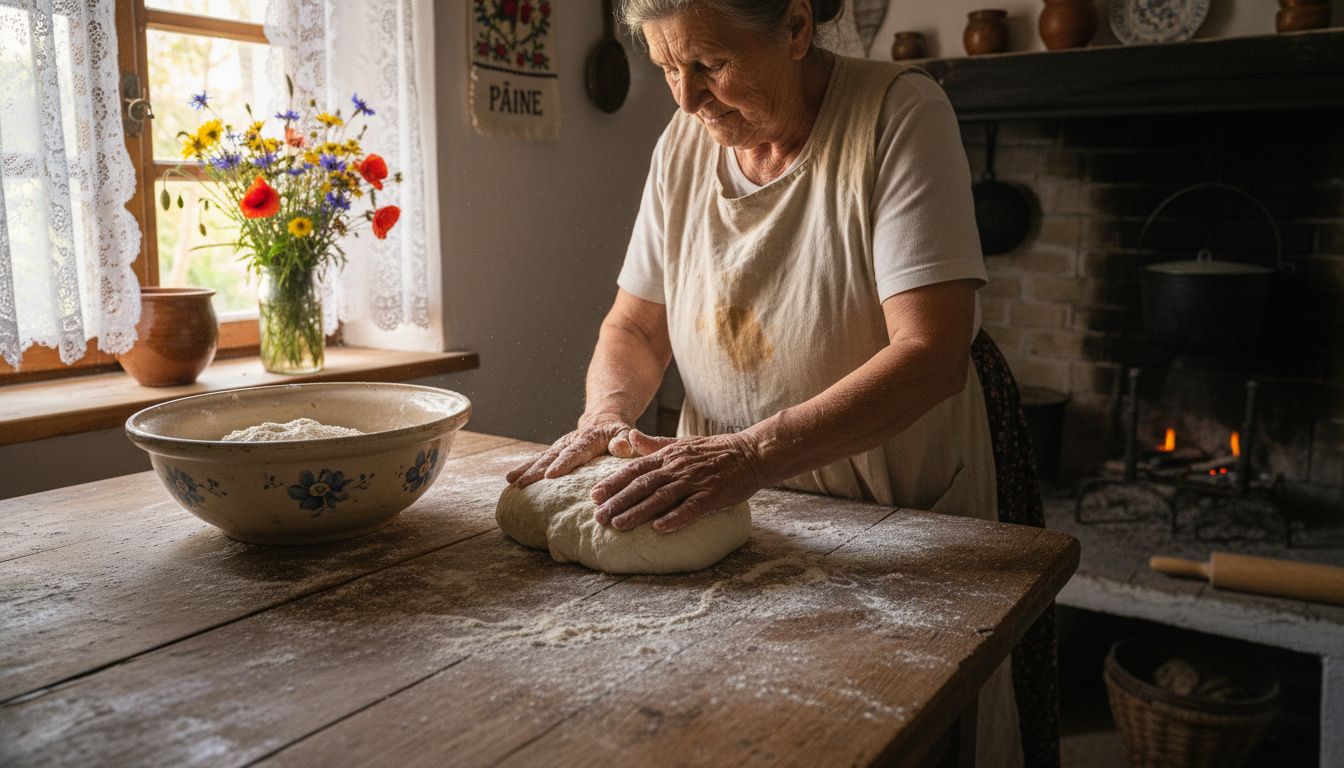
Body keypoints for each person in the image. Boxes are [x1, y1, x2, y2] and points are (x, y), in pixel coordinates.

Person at [507, 1, 1037, 765]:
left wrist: (751, 456)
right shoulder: (683, 146)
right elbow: (635, 328)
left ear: (794, 28)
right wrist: (605, 415)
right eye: (666, 69)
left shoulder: (897, 115)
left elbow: (932, 350)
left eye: (709, 65)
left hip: (894, 522)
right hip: (723, 512)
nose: (685, 98)